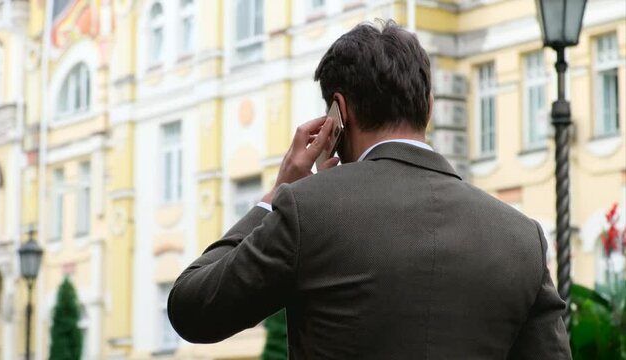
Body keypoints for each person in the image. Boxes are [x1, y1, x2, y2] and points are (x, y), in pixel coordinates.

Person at [168, 20, 571, 359]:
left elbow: (192, 309)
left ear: (338, 113)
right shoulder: (521, 238)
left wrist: (273, 198)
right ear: (428, 107)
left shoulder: (307, 212)